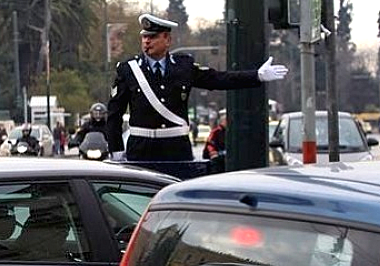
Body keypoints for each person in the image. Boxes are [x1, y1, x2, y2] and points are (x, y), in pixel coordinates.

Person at [106, 13, 288, 162]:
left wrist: (256, 75)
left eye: (153, 37)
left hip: (176, 147)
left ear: (167, 40)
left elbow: (218, 79)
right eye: (144, 37)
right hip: (141, 148)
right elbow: (114, 113)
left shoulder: (184, 66)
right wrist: (116, 150)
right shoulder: (128, 69)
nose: (147, 41)